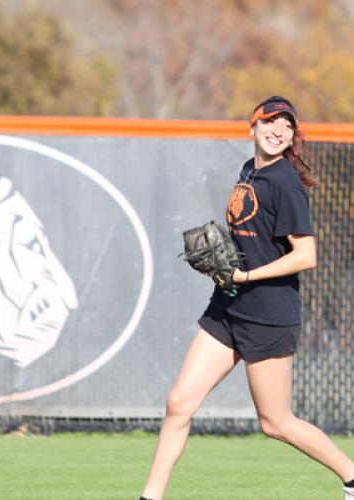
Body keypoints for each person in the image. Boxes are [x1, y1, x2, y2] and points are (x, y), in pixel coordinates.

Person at [140, 96, 354, 500]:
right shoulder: (250, 171)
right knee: (179, 402)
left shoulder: (285, 183)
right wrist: (226, 266)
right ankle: (150, 497)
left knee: (275, 422)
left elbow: (306, 256)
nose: (278, 130)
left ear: (293, 135)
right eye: (270, 122)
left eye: (287, 125)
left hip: (268, 314)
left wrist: (246, 273)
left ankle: (352, 476)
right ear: (252, 127)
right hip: (228, 306)